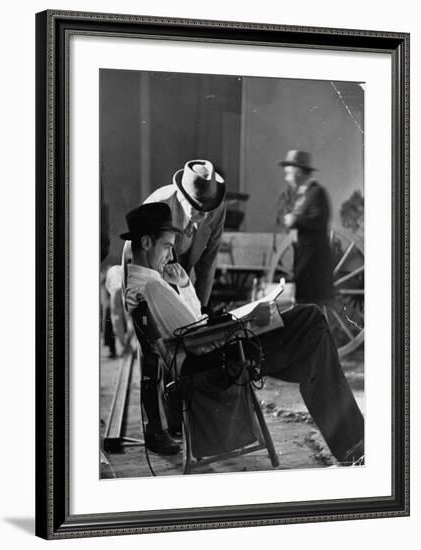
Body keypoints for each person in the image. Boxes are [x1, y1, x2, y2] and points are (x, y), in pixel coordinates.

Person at [123, 203, 364, 465]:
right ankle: (354, 446)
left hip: (213, 353)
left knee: (315, 349)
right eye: (167, 246)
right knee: (312, 320)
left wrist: (184, 286)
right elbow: (195, 337)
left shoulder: (146, 283)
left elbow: (192, 327)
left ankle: (354, 447)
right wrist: (243, 322)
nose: (170, 255)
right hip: (215, 361)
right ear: (147, 243)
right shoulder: (153, 286)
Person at [122, 159, 226, 308]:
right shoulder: (158, 206)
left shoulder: (216, 208)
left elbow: (208, 262)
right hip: (153, 281)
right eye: (197, 207)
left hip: (183, 280)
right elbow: (134, 256)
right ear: (182, 197)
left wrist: (202, 310)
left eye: (207, 208)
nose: (204, 216)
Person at [280, 150, 333, 304]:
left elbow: (318, 219)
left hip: (313, 265)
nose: (286, 178)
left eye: (288, 173)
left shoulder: (317, 193)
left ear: (298, 172)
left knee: (309, 306)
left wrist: (295, 219)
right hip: (305, 263)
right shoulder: (305, 195)